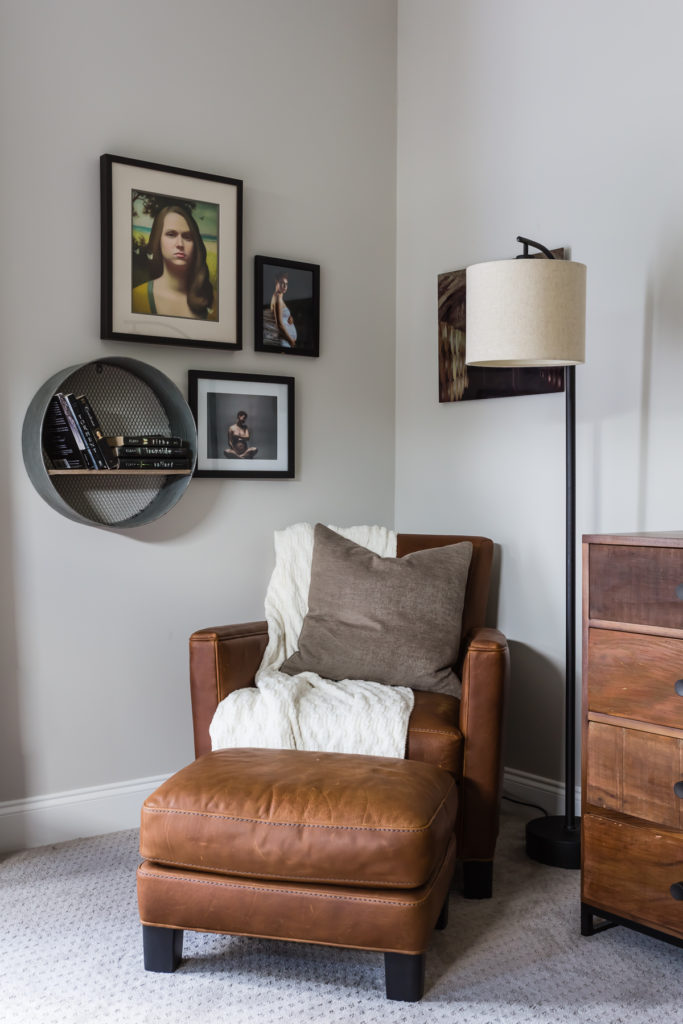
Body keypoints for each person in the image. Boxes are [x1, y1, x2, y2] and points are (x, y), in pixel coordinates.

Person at [132, 205, 216, 320]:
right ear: (158, 239)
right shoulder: (136, 297)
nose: (180, 244)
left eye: (187, 237)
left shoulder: (216, 300)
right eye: (171, 234)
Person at [269, 271, 297, 347]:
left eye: (286, 284)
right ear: (276, 282)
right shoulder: (277, 298)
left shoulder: (279, 297)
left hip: (286, 341)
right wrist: (291, 341)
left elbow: (282, 317)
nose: (285, 286)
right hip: (284, 342)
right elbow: (279, 325)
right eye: (282, 283)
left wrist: (289, 318)